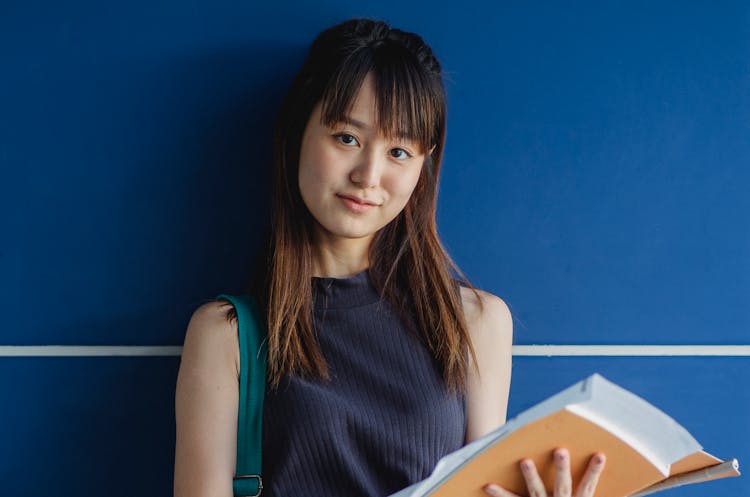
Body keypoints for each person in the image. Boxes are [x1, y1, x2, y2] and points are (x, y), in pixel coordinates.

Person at [174, 17, 605, 497]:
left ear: (424, 165)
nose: (368, 175)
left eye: (399, 151)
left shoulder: (474, 322)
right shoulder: (227, 335)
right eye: (347, 138)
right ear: (297, 133)